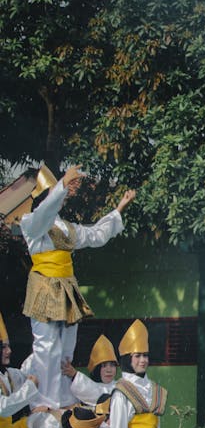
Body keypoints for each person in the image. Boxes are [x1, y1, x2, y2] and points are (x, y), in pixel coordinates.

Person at [20, 164, 134, 408]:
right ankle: (44, 400)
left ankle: (63, 397)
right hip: (44, 286)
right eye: (55, 194)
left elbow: (95, 235)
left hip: (67, 289)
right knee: (46, 346)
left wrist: (118, 210)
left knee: (66, 346)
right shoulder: (32, 223)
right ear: (45, 197)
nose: (61, 198)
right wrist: (62, 184)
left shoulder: (67, 228)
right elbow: (44, 214)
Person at [63, 334, 119, 406]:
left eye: (112, 365)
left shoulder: (119, 387)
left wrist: (75, 376)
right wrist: (75, 376)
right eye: (104, 366)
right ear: (96, 369)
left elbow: (100, 396)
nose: (109, 370)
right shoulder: (90, 387)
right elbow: (93, 392)